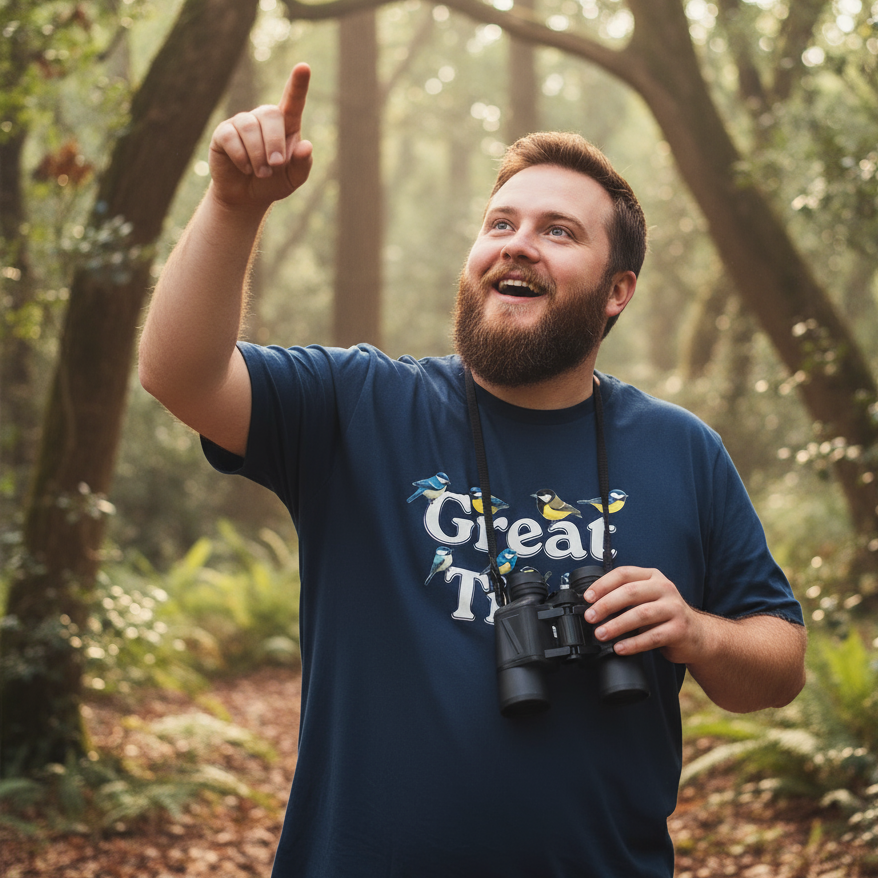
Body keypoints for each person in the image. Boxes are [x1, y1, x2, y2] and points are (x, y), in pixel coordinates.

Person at [139, 63, 806, 877]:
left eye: (559, 231)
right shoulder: (360, 404)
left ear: (616, 291)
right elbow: (179, 373)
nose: (517, 242)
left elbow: (779, 665)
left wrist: (696, 632)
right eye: (500, 223)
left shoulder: (682, 448)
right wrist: (233, 207)